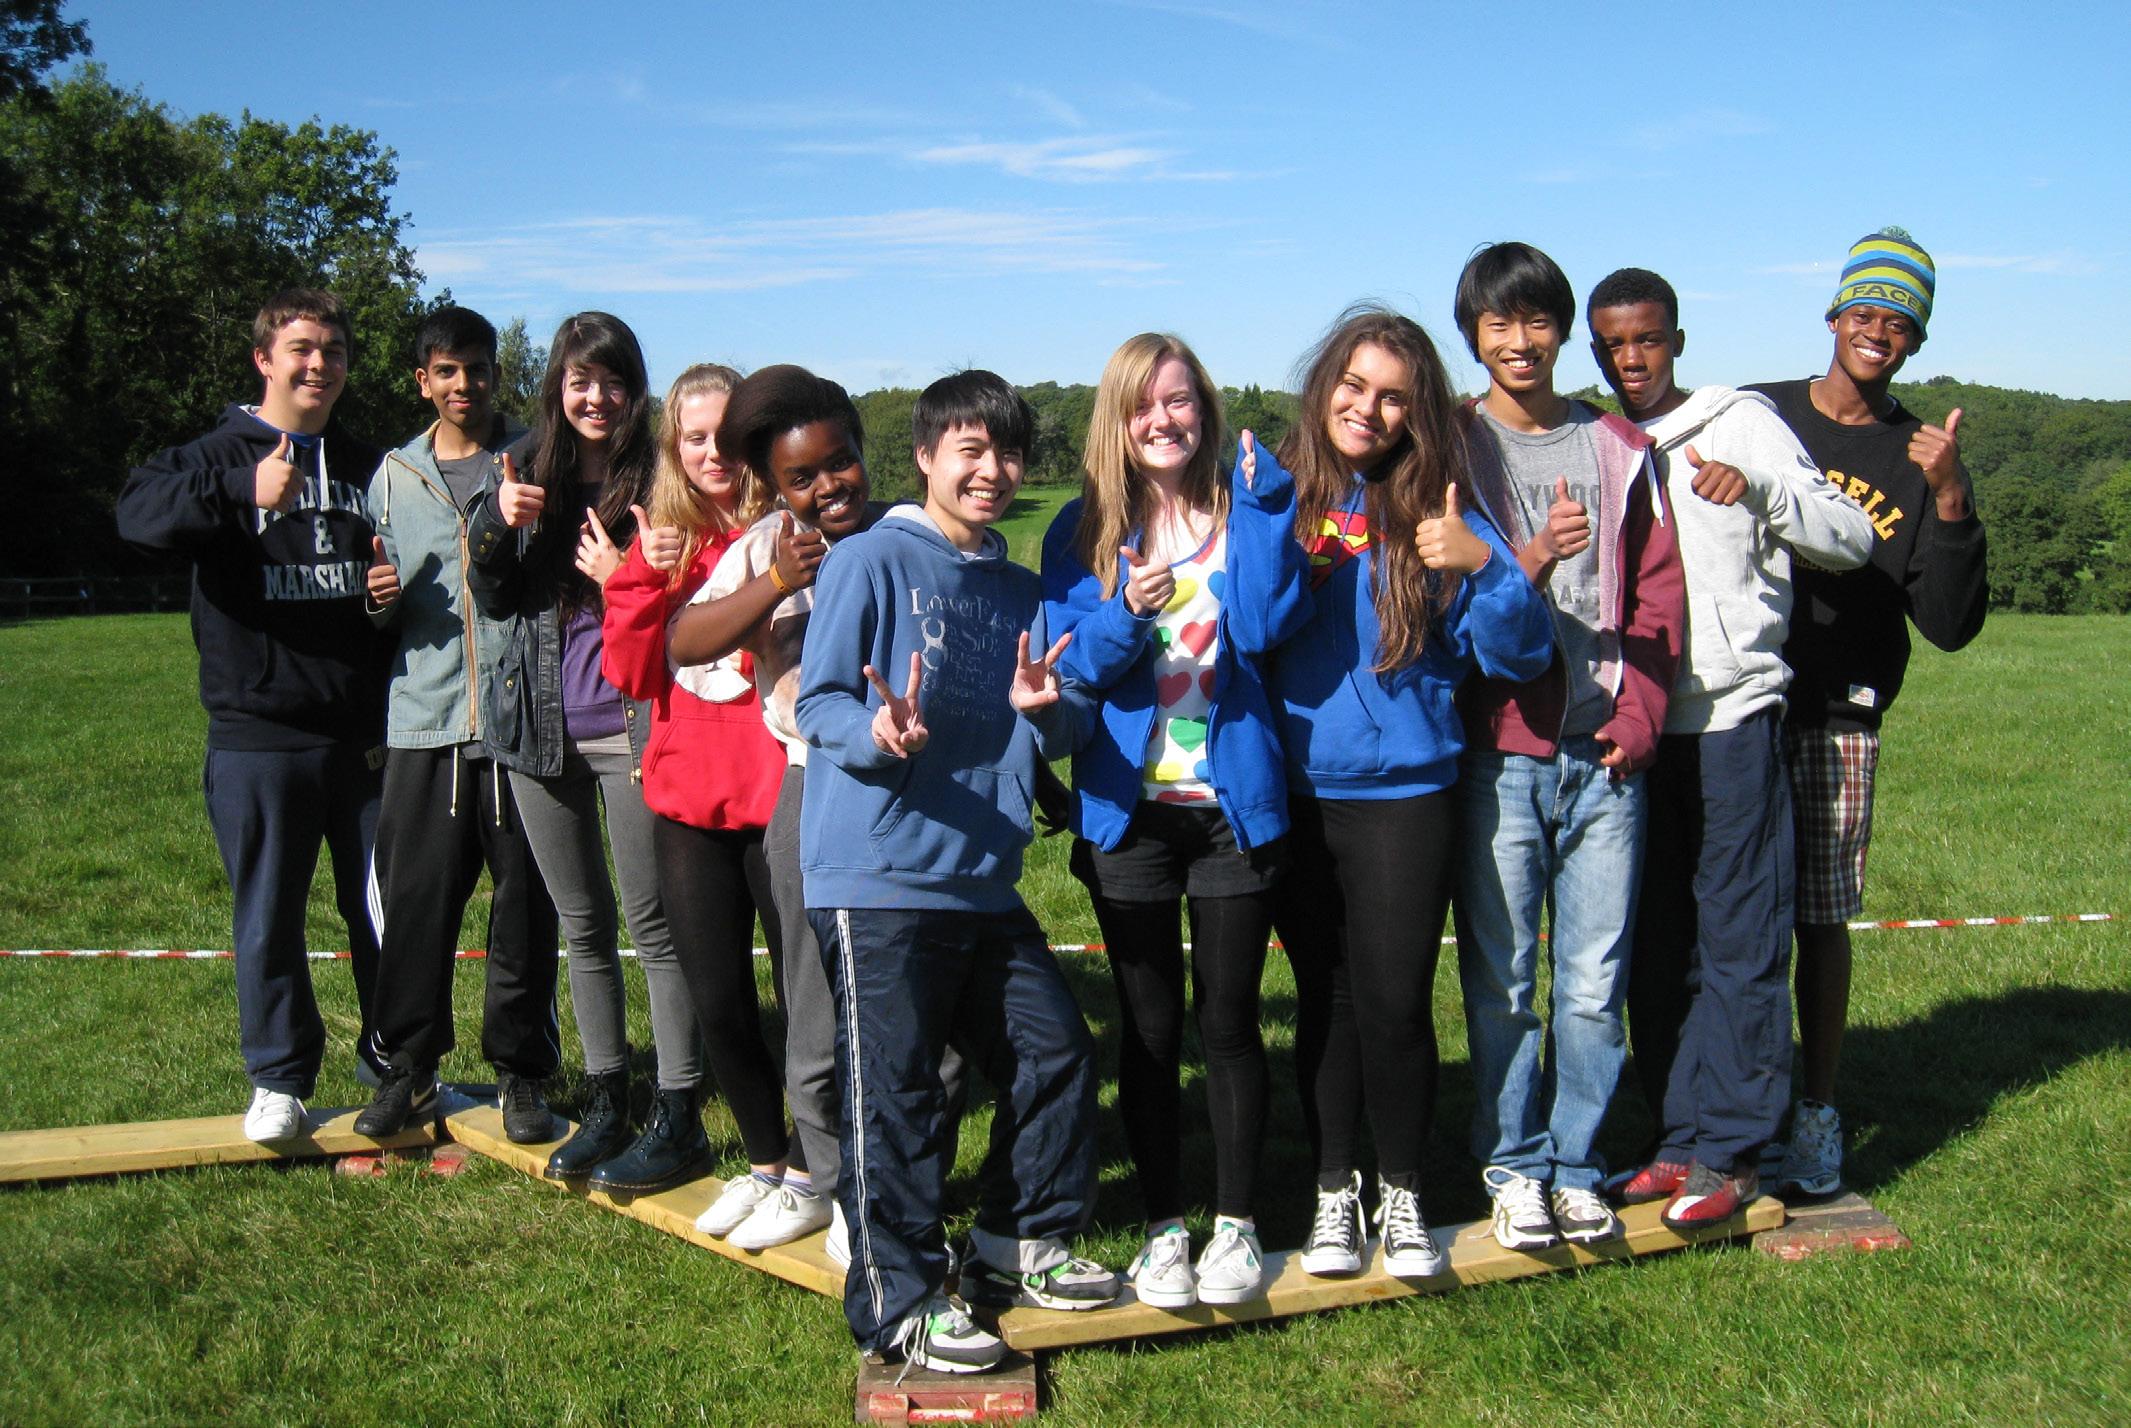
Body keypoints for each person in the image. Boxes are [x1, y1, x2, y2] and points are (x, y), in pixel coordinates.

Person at [797, 370, 1118, 1375]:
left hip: (982, 875)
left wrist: (1048, 712)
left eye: (1008, 452)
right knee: (894, 1096)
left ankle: (1019, 1242)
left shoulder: (1020, 589)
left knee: (1053, 1051)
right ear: (926, 457)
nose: (992, 470)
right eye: (970, 450)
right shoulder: (869, 560)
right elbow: (818, 703)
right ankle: (899, 1303)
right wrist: (877, 731)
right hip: (877, 874)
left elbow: (1059, 723)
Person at [1262, 306, 1555, 1279]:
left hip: (1404, 794)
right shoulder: (1277, 495)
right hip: (1296, 789)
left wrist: (1484, 569)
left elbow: (1518, 653)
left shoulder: (1438, 504)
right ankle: (1331, 1192)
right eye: (1354, 386)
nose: (1368, 408)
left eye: (1391, 396)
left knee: (1392, 1003)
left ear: (1415, 411)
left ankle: (1403, 1193)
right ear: (1324, 386)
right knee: (1325, 1001)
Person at [1584, 267, 1877, 1226]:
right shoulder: (1602, 440)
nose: (1631, 358)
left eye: (1646, 339)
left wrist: (1758, 492)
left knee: (1739, 940)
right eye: (1613, 344)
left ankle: (1738, 1151)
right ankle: (1678, 1140)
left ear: (1676, 339)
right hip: (1637, 727)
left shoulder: (1739, 422)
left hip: (1732, 718)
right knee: (1658, 948)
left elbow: (1849, 537)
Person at [1039, 333, 1309, 1308]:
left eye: (1180, 400)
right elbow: (1067, 672)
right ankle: (1162, 1229)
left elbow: (1271, 626)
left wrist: (1269, 513)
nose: (1163, 420)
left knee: (1228, 1023)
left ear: (1206, 410)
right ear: (1116, 420)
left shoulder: (1246, 512)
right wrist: (1124, 611)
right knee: (1149, 1032)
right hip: (1129, 816)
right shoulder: (1077, 531)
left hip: (1231, 811)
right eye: (1142, 405)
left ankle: (1235, 1225)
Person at [666, 364, 938, 1259]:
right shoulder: (767, 549)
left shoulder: (910, 530)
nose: (828, 486)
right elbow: (682, 641)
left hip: (921, 792)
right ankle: (828, 1180)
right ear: (772, 485)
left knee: (924, 1003)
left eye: (839, 461)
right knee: (815, 1002)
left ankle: (903, 1173)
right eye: (801, 476)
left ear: (864, 448)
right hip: (812, 789)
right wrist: (774, 582)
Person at [1449, 243, 1685, 1249]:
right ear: (1472, 336)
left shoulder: (1617, 448)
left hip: (1604, 759)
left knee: (1593, 986)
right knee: (1503, 984)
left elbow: (1657, 591)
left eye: (1537, 321)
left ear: (1562, 333)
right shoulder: (1449, 445)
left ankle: (1578, 1165)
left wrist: (1638, 718)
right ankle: (1512, 1166)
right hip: (1498, 759)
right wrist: (1534, 554)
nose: (1519, 342)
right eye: (1498, 324)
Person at [114, 288, 390, 1143]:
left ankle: (396, 1063)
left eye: (333, 350)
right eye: (301, 348)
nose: (319, 364)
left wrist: (385, 598)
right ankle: (278, 1079)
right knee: (269, 915)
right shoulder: (211, 456)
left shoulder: (368, 464)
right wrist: (243, 488)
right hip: (258, 731)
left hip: (364, 733)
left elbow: (404, 574)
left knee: (388, 909)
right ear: (264, 359)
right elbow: (136, 517)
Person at [1746, 229, 1988, 1196]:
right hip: (1730, 701)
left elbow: (1949, 625)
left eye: (1898, 322)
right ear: (1832, 316)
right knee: (1722, 917)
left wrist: (1950, 495)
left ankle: (1815, 1111)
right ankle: (1727, 1110)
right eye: (1863, 311)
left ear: (1915, 341)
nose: (1876, 332)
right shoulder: (1758, 413)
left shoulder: (1919, 455)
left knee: (1819, 921)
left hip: (1838, 712)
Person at [457, 312, 689, 1181]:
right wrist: (497, 521)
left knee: (654, 925)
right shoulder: (522, 471)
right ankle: (605, 1098)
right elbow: (490, 590)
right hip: (539, 727)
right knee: (582, 927)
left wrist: (638, 571)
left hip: (635, 724)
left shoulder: (663, 478)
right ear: (558, 386)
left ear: (634, 388)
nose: (596, 398)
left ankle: (678, 1103)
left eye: (613, 380)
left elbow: (691, 595)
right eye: (580, 381)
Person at [592, 362, 804, 1198]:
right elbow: (630, 673)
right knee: (718, 999)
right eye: (694, 438)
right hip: (688, 802)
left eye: (727, 435)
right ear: (672, 449)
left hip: (778, 795)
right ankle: (764, 1162)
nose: (713, 453)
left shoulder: (791, 530)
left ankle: (818, 1164)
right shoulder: (663, 544)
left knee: (805, 997)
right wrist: (641, 575)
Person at [353, 305, 562, 1144]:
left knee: (526, 909)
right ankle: (408, 1069)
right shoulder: (393, 476)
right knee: (416, 906)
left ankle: (522, 1073)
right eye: (446, 371)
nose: (463, 384)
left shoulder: (536, 458)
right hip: (425, 720)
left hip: (520, 721)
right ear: (423, 381)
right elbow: (377, 598)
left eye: (476, 368)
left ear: (495, 374)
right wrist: (376, 603)